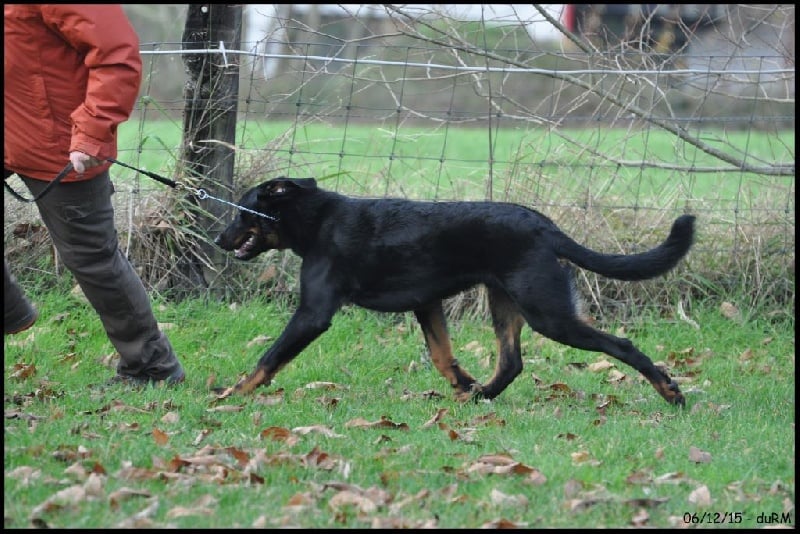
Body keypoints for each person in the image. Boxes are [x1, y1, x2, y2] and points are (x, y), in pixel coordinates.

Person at [4, 5, 185, 386]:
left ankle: (152, 367)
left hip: (58, 139)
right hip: (10, 124)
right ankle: (9, 311)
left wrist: (91, 133)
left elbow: (116, 55)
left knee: (92, 258)